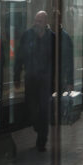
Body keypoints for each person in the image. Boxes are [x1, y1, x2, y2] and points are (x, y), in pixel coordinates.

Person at [13, 11, 55, 151]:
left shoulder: (52, 37)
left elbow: (56, 60)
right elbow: (19, 56)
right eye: (36, 20)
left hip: (45, 81)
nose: (37, 23)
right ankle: (38, 127)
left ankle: (42, 140)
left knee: (44, 109)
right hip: (30, 78)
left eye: (40, 21)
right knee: (32, 109)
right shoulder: (27, 35)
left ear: (46, 22)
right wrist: (17, 75)